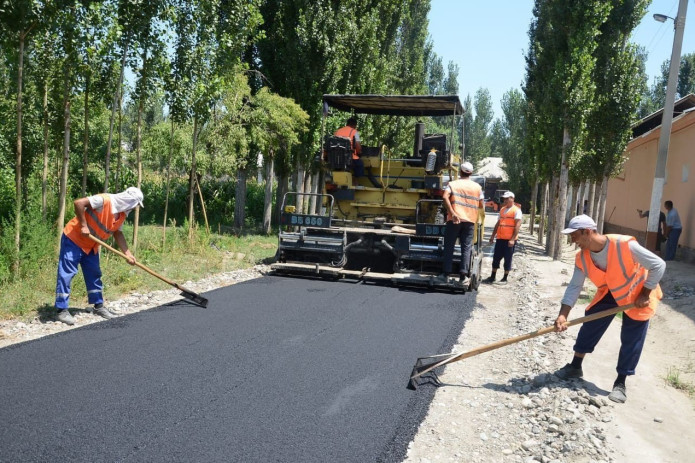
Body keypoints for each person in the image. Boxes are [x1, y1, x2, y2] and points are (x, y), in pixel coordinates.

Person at [552, 214, 665, 404]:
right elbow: (574, 286)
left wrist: (645, 293)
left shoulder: (624, 245)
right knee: (590, 322)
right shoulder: (582, 258)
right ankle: (575, 366)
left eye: (574, 236)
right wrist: (563, 315)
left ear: (587, 232)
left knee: (632, 338)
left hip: (637, 294)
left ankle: (620, 383)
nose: (572, 240)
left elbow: (658, 265)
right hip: (611, 292)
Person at [55, 187, 144, 325]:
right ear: (130, 201)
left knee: (94, 274)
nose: (134, 208)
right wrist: (83, 225)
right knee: (67, 273)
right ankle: (62, 310)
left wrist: (128, 254)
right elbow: (79, 203)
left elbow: (118, 233)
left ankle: (98, 306)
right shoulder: (104, 200)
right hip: (74, 239)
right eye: (135, 205)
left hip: (91, 245)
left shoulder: (122, 214)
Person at [441, 161, 484, 286]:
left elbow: (444, 197)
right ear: (471, 173)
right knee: (466, 248)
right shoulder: (477, 187)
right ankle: (463, 276)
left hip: (455, 220)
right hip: (470, 221)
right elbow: (481, 204)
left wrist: (453, 213)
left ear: (460, 172)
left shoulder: (453, 184)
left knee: (449, 246)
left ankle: (446, 275)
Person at [485, 191, 522, 284]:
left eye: (507, 198)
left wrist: (513, 239)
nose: (505, 200)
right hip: (500, 238)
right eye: (504, 198)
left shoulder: (517, 211)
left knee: (507, 259)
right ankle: (492, 276)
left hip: (509, 240)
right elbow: (498, 224)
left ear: (512, 199)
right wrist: (492, 236)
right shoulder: (502, 209)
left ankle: (505, 278)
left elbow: (517, 225)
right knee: (496, 258)